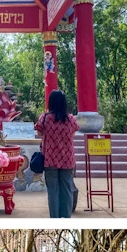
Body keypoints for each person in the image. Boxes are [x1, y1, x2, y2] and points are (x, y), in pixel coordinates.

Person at [34, 89, 79, 218]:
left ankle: (54, 218)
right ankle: (66, 218)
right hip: (67, 160)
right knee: (67, 190)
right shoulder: (71, 119)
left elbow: (39, 133)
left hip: (50, 159)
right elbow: (72, 135)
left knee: (53, 191)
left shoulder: (45, 118)